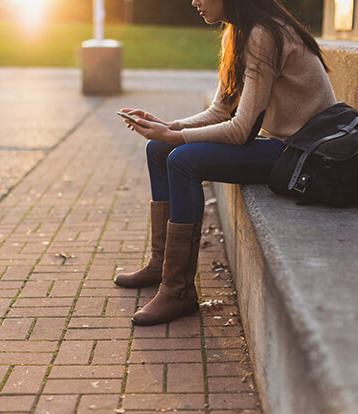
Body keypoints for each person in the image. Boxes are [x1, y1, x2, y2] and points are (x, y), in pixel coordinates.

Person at [116, 0, 336, 326]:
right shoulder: (240, 32)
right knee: (158, 149)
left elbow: (241, 130)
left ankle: (178, 290)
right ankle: (162, 263)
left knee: (182, 161)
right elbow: (221, 112)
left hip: (304, 155)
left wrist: (174, 137)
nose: (194, 1)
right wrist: (169, 128)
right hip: (282, 146)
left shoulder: (265, 35)